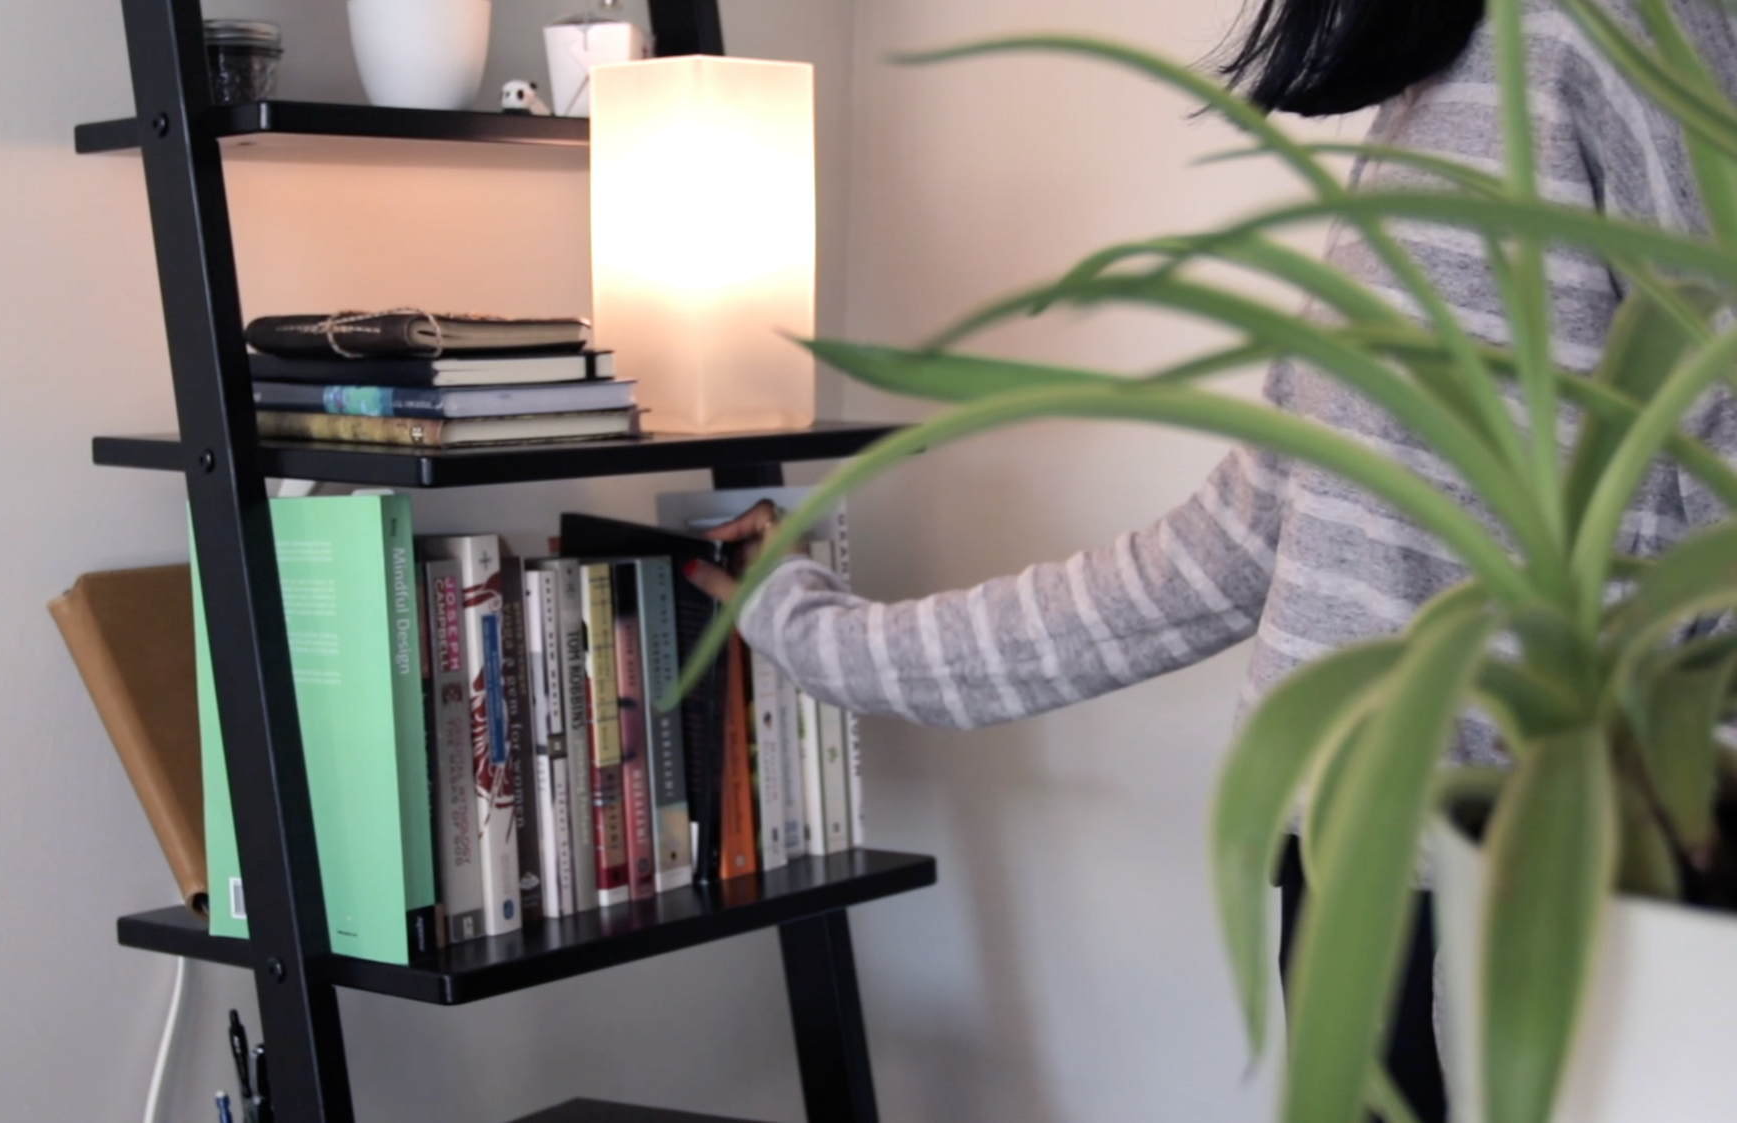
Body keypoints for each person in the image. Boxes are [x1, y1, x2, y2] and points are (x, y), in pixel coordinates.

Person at [684, 1, 1737, 1120]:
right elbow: (1226, 551)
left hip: (1560, 862)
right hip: (1356, 859)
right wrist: (814, 632)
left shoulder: (1590, 32)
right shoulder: (1438, 87)